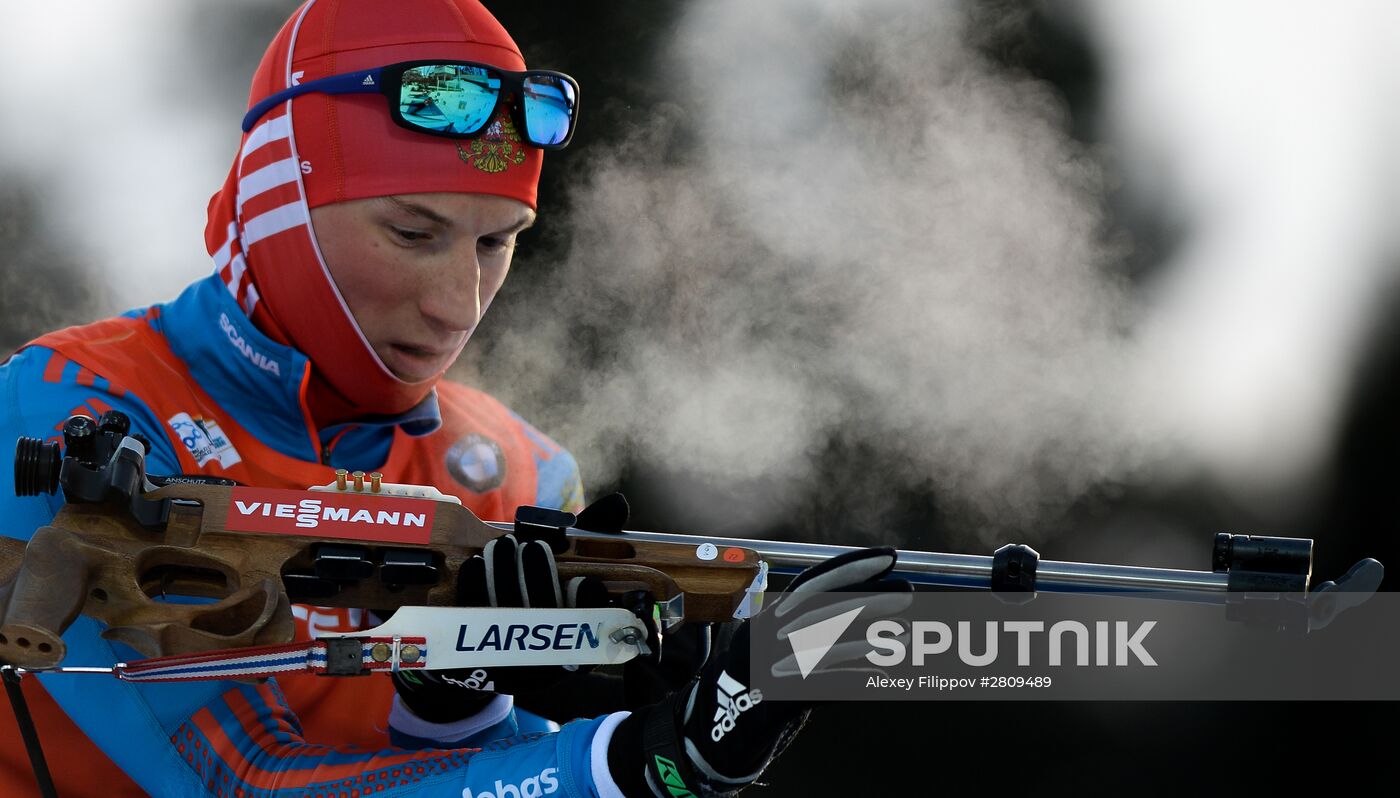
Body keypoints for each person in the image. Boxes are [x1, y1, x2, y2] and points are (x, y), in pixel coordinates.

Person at [0, 1, 907, 795]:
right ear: (281, 204)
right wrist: (640, 766)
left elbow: (494, 776)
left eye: (496, 243)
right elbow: (240, 781)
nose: (457, 306)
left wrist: (452, 715)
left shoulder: (519, 469)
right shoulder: (73, 410)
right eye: (412, 231)